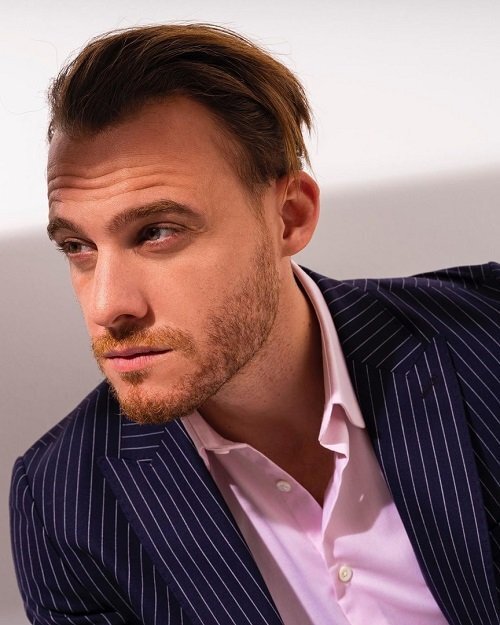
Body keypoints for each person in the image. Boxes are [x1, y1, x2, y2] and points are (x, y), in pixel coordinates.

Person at [9, 23, 499, 625]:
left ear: (289, 217)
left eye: (157, 232)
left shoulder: (486, 335)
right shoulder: (63, 502)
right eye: (77, 246)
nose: (107, 306)